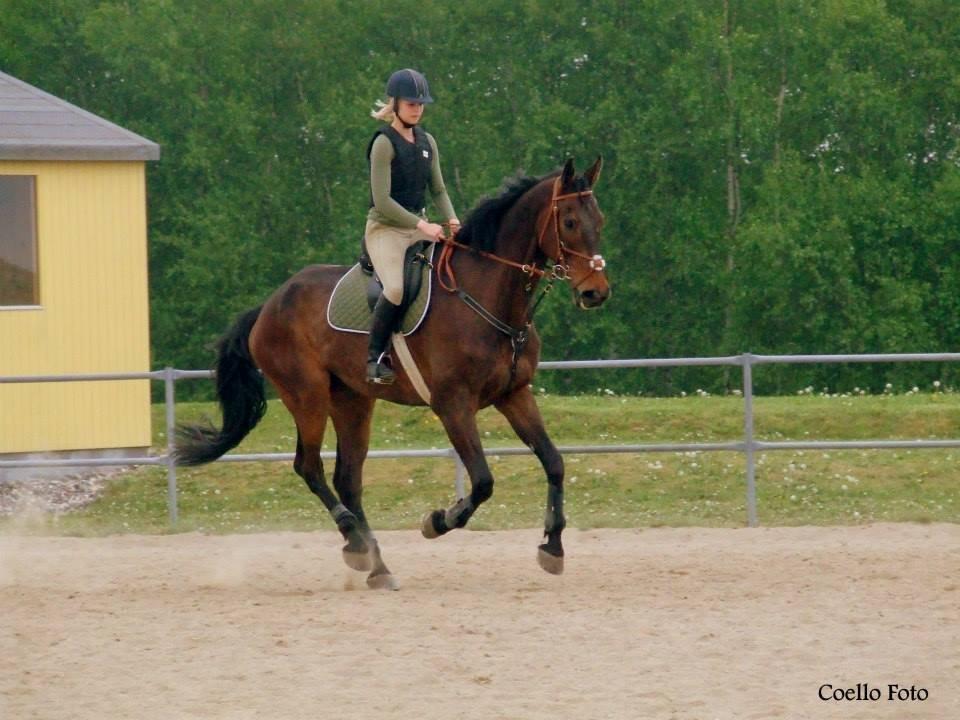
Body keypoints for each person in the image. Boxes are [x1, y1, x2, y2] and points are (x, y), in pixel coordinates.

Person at [364, 68, 460, 384]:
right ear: (395, 104)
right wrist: (423, 224)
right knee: (394, 288)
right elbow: (382, 201)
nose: (417, 109)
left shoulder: (427, 141)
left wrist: (451, 219)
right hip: (386, 229)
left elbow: (439, 190)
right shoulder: (384, 143)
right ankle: (375, 358)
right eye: (410, 104)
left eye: (421, 104)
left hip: (419, 226)